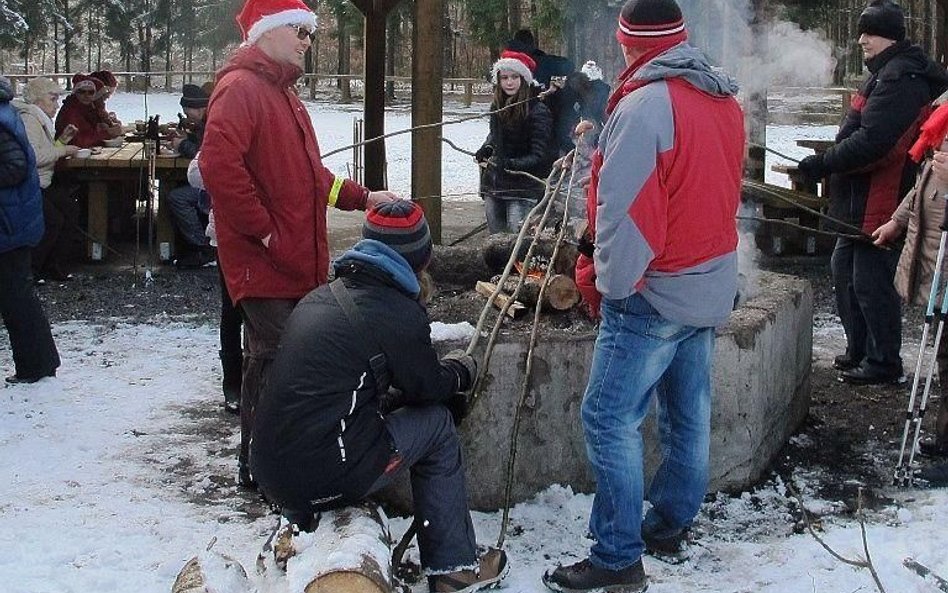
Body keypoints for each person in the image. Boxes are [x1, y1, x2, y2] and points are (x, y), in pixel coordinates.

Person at [544, 1, 744, 591]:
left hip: (654, 292)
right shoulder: (723, 98)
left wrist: (609, 286)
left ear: (627, 43)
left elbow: (627, 216)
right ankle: (671, 523)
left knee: (608, 419)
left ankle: (616, 558)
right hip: (708, 281)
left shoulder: (645, 106)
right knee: (689, 412)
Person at [251, 200, 508, 593]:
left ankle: (302, 534)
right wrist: (461, 370)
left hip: (270, 471)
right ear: (421, 260)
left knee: (351, 417)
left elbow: (344, 396)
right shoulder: (397, 313)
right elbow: (429, 388)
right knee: (438, 426)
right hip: (327, 471)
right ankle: (454, 567)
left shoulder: (322, 296)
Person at [200, 0, 397, 488]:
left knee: (290, 359)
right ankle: (261, 465)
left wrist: (364, 197)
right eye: (299, 30)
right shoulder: (241, 88)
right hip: (264, 262)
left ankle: (284, 457)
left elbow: (313, 179)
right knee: (274, 360)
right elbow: (218, 167)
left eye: (310, 32)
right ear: (265, 34)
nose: (308, 40)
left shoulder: (286, 97)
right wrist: (263, 230)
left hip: (296, 259)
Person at [797, 0, 948, 386]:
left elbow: (876, 143)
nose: (862, 39)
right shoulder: (884, 71)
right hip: (857, 194)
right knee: (844, 270)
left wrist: (826, 162)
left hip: (882, 194)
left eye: (870, 32)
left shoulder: (901, 77)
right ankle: (860, 350)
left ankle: (883, 361)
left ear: (890, 36)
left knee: (869, 279)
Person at [0, 75, 61, 384]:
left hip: (9, 220)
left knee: (15, 296)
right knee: (17, 294)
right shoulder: (9, 113)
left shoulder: (3, 119)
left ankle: (35, 365)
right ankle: (41, 361)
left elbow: (15, 167)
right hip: (15, 216)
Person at [474, 50, 555, 234]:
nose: (509, 82)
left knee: (516, 239)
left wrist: (512, 164)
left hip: (523, 187)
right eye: (504, 78)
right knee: (496, 239)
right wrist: (487, 148)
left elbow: (540, 155)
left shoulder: (538, 111)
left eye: (514, 77)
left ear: (524, 78)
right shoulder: (497, 107)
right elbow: (495, 136)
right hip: (494, 185)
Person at [187, 152, 243, 414]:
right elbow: (195, 173)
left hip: (268, 238)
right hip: (227, 239)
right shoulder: (223, 132)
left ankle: (265, 379)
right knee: (232, 310)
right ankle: (233, 382)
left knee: (265, 311)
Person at [13, 77, 81, 281]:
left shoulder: (39, 120)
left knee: (70, 209)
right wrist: (64, 150)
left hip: (43, 182)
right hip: (31, 185)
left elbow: (45, 151)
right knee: (53, 220)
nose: (56, 104)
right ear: (37, 101)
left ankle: (54, 264)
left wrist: (62, 141)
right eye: (52, 99)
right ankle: (33, 269)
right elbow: (34, 158)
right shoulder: (30, 120)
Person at [505, 29, 577, 155]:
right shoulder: (541, 62)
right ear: (531, 44)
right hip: (533, 114)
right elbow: (569, 65)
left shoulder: (505, 61)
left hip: (511, 115)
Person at [167, 83, 214, 269]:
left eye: (188, 113)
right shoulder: (206, 120)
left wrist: (183, 145)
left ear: (201, 108)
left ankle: (204, 247)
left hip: (213, 185)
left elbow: (205, 156)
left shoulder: (212, 122)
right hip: (210, 180)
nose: (187, 117)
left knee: (177, 197)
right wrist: (190, 134)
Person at [55, 74, 123, 148]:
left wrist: (106, 127)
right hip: (69, 156)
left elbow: (91, 131)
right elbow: (77, 141)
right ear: (75, 92)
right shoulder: (71, 111)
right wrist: (106, 133)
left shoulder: (88, 108)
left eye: (91, 92)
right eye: (81, 91)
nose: (86, 95)